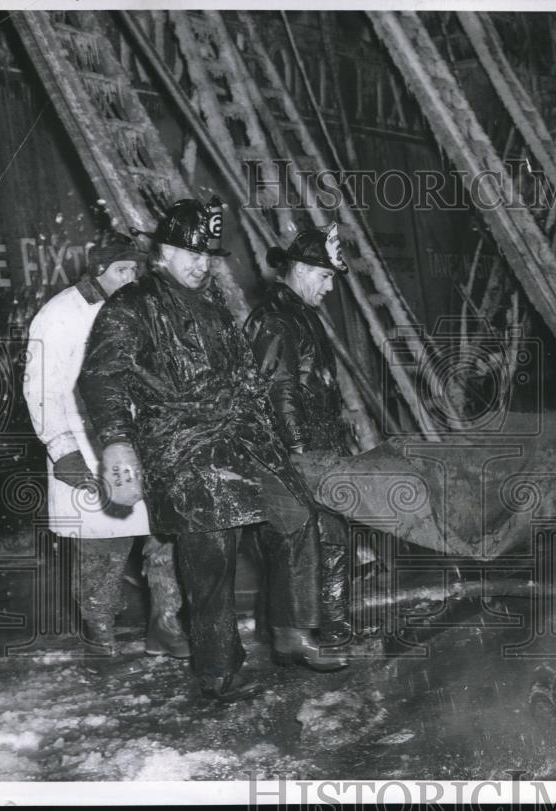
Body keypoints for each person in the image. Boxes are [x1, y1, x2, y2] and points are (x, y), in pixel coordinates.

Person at [79, 197, 345, 704]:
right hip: (180, 444)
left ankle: (292, 632)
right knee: (212, 553)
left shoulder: (214, 302)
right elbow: (100, 379)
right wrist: (116, 443)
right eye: (190, 253)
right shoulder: (131, 306)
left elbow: (245, 376)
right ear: (162, 251)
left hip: (238, 437)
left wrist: (273, 439)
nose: (201, 264)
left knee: (296, 515)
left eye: (207, 256)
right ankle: (218, 669)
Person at [23, 226, 188, 659]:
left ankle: (165, 628)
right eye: (122, 269)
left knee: (164, 536)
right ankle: (101, 639)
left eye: (136, 268)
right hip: (88, 448)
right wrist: (64, 451)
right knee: (102, 551)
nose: (131, 278)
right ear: (98, 270)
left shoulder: (140, 310)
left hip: (143, 445)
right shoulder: (58, 316)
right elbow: (41, 390)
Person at [243, 223, 353, 647]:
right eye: (325, 276)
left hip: (319, 446)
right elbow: (279, 390)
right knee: (320, 542)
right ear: (304, 270)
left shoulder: (299, 314)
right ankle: (323, 634)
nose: (329, 287)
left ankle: (322, 630)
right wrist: (299, 453)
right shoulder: (275, 319)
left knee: (325, 540)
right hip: (300, 452)